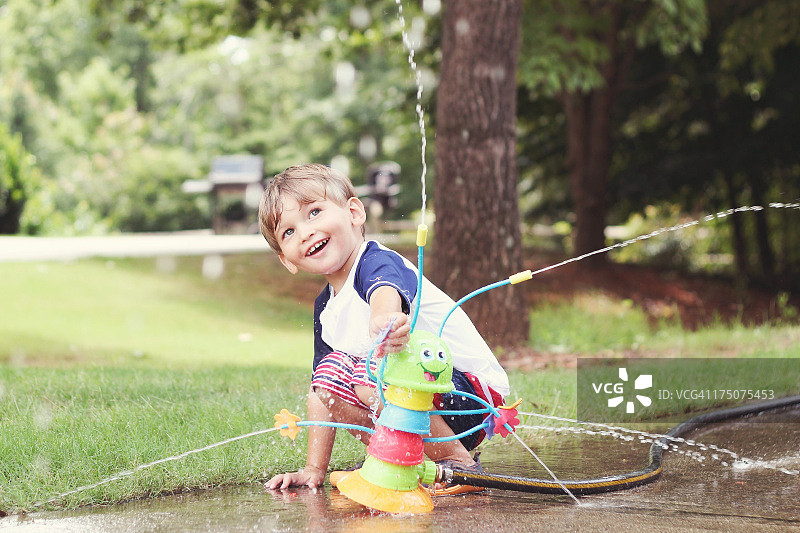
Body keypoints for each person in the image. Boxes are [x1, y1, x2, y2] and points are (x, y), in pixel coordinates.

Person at [259, 164, 509, 490]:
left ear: (354, 212)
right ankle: (398, 463)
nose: (304, 231)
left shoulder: (375, 261)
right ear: (286, 259)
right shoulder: (325, 308)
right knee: (331, 377)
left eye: (314, 212)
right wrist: (313, 469)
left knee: (369, 375)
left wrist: (383, 318)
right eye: (288, 232)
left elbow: (384, 290)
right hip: (420, 393)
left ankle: (460, 466)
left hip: (470, 399)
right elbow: (321, 393)